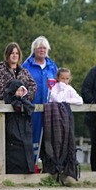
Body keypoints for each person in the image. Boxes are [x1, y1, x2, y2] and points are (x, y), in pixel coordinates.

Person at [0, 42, 36, 174]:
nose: (14, 55)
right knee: (5, 142)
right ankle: (2, 171)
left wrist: (24, 96)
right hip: (5, 115)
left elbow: (33, 86)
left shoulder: (24, 72)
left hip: (21, 116)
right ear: (7, 55)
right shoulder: (0, 70)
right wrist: (12, 94)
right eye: (12, 53)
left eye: (16, 53)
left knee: (22, 142)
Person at [21, 35, 59, 166]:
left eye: (44, 48)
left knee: (50, 136)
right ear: (34, 49)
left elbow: (58, 85)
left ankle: (49, 165)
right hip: (33, 108)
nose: (42, 50)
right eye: (39, 48)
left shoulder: (52, 66)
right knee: (33, 136)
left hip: (49, 108)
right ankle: (31, 164)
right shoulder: (27, 65)